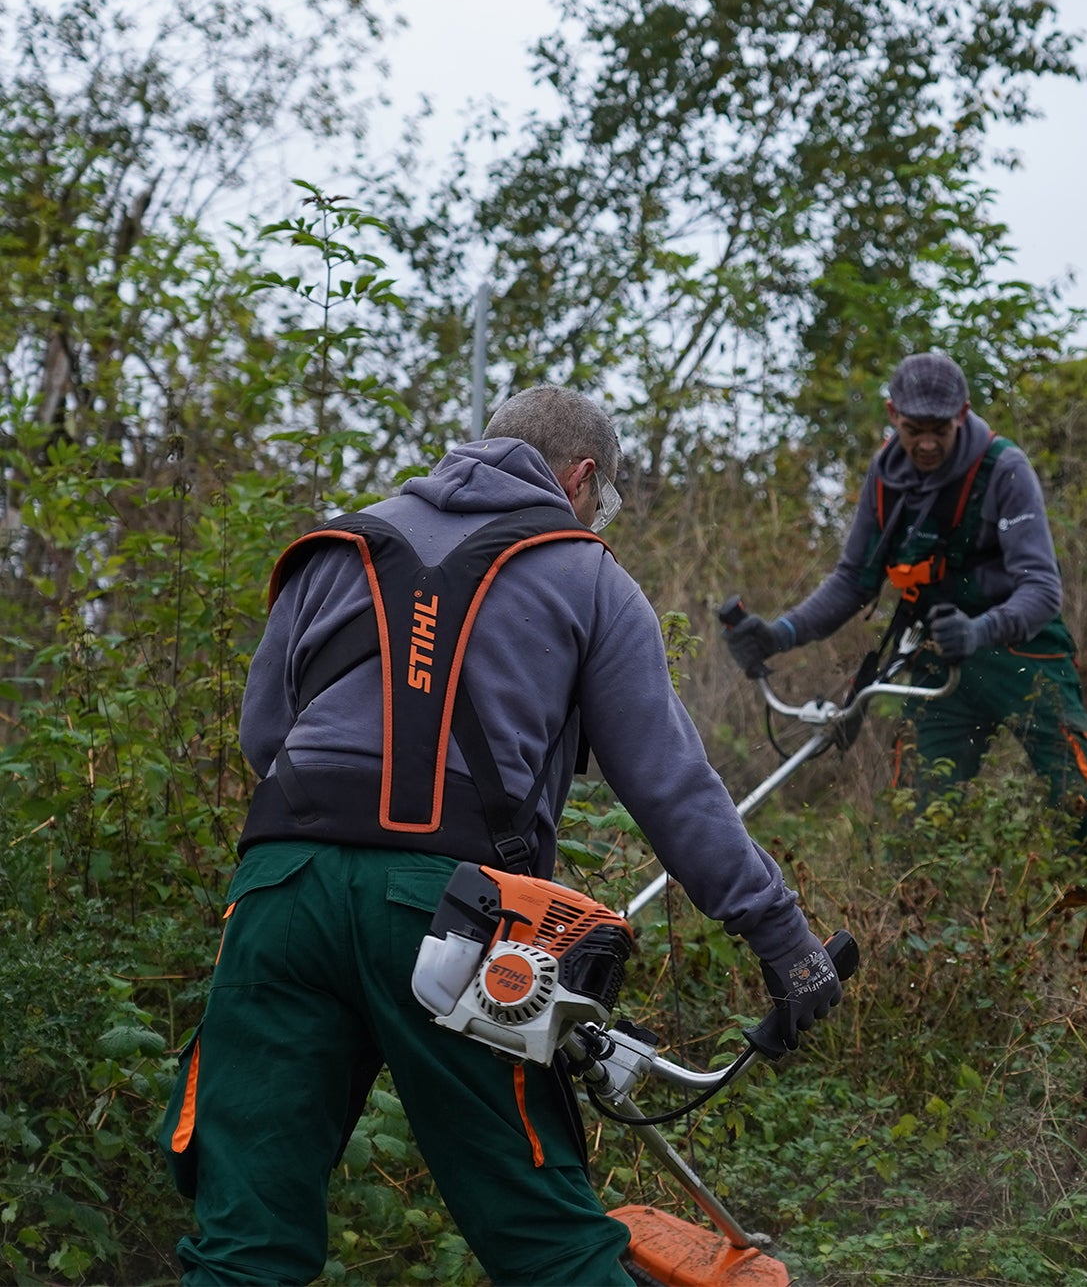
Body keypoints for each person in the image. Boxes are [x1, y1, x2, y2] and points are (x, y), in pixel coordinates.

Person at [160, 385, 842, 1287]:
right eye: (605, 502)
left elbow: (263, 739)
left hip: (280, 894)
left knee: (245, 1245)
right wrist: (786, 944)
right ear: (583, 477)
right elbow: (674, 790)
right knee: (547, 1239)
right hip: (449, 916)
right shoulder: (587, 573)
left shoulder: (339, 544)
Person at [724, 352, 1087, 858]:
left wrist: (979, 631)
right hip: (939, 661)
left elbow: (1042, 590)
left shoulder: (1004, 469)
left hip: (1025, 657)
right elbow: (853, 581)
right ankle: (925, 924)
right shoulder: (887, 474)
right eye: (914, 429)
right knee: (917, 817)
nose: (927, 442)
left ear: (963, 413)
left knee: (1080, 802)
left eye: (940, 428)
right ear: (893, 415)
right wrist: (783, 633)